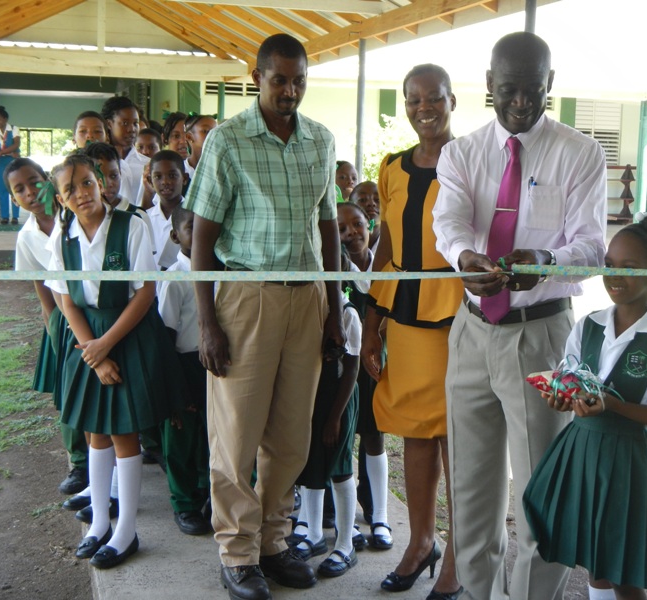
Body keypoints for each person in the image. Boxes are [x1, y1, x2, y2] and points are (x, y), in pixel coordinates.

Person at [431, 32, 607, 600]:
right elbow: (449, 221)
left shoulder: (580, 153)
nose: (522, 103)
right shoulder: (461, 154)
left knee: (541, 496)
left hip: (540, 337)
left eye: (534, 90)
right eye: (509, 90)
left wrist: (548, 261)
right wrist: (464, 257)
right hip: (472, 333)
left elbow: (591, 248)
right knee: (471, 493)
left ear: (550, 84)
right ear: (488, 85)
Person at [185, 33, 344, 600]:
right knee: (236, 434)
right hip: (245, 298)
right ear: (258, 78)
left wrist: (335, 307)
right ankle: (236, 552)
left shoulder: (320, 141)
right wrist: (208, 323)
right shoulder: (227, 141)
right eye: (279, 79)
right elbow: (201, 238)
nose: (290, 90)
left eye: (299, 79)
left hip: (309, 300)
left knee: (291, 436)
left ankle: (273, 543)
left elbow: (329, 227)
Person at [523, 215, 647, 599]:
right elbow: (570, 382)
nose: (615, 276)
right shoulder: (589, 325)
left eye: (630, 268)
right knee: (594, 560)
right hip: (582, 452)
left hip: (627, 462)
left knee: (623, 569)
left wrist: (612, 406)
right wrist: (560, 397)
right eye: (610, 266)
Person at [46, 154, 185, 569]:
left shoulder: (131, 224)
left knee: (124, 433)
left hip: (124, 333)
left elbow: (144, 293)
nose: (82, 193)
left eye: (87, 183)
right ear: (61, 197)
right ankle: (100, 524)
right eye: (70, 189)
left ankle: (125, 529)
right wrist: (92, 351)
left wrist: (106, 345)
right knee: (94, 431)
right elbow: (64, 296)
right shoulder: (63, 233)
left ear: (101, 183)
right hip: (87, 339)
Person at [361, 63, 463, 600]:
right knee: (415, 432)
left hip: (457, 315)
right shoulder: (392, 168)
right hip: (402, 315)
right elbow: (385, 248)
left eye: (435, 98)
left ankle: (460, 556)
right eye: (414, 99)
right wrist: (372, 325)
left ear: (452, 100)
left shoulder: (473, 161)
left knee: (457, 437)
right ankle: (421, 542)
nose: (424, 108)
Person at [5, 157, 90, 496]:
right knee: (69, 387)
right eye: (19, 190)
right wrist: (55, 328)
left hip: (96, 307)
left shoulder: (75, 213)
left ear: (47, 180)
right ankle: (80, 462)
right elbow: (42, 289)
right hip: (64, 317)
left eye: (34, 181)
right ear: (13, 200)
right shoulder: (26, 238)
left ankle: (142, 444)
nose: (30, 192)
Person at [292, 268, 361, 577]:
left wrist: (334, 418)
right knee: (310, 464)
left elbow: (351, 371)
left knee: (340, 468)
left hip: (339, 401)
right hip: (311, 397)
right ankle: (314, 535)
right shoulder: (309, 310)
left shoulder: (348, 315)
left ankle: (345, 544)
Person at [334, 201, 391, 543]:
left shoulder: (383, 268)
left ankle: (380, 517)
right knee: (338, 439)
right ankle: (342, 520)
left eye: (357, 225)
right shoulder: (336, 273)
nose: (351, 233)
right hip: (342, 371)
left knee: (374, 436)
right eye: (341, 229)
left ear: (369, 225)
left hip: (374, 366)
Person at [157, 205, 211, 537]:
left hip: (214, 365)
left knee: (211, 435)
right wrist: (174, 391)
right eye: (193, 227)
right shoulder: (174, 280)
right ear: (176, 236)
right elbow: (165, 339)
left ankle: (207, 495)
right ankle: (184, 503)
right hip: (182, 365)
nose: (202, 233)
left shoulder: (220, 271)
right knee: (180, 438)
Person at [102, 96, 149, 207]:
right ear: (109, 124)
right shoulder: (98, 164)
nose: (131, 129)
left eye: (135, 123)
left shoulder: (147, 165)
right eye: (124, 123)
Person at [147, 150, 187, 269]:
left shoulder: (194, 218)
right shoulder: (145, 218)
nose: (165, 182)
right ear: (150, 181)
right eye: (158, 177)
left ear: (184, 178)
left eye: (172, 175)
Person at [0, 106, 21, 224]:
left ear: (5, 119)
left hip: (13, 162)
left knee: (15, 188)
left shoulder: (14, 129)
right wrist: (9, 152)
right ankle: (5, 216)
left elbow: (16, 145)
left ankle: (15, 216)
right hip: (2, 162)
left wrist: (0, 152)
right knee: (2, 189)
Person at [349, 181, 381, 251]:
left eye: (377, 200)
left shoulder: (395, 241)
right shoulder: (343, 242)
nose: (371, 203)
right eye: (362, 200)